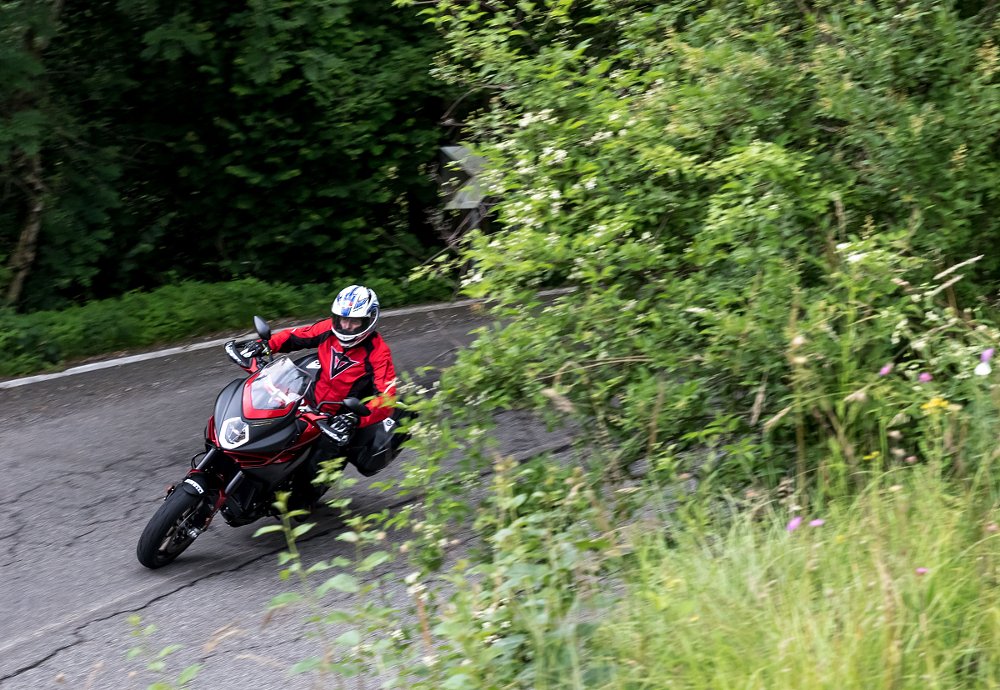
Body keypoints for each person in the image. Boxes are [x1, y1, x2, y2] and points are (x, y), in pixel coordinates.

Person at [249, 285, 409, 506]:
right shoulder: (329, 329)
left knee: (321, 458)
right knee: (267, 416)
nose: (346, 326)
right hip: (311, 398)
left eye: (354, 321)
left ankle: (300, 502)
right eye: (342, 319)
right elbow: (296, 336)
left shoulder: (378, 352)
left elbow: (387, 397)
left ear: (369, 320)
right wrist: (265, 345)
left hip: (340, 417)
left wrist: (355, 418)